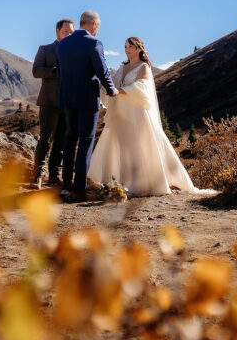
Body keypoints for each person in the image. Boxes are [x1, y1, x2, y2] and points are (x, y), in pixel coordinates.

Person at [88, 37, 196, 195]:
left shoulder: (144, 67)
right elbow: (113, 83)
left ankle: (141, 183)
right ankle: (118, 182)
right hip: (120, 113)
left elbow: (142, 88)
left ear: (138, 48)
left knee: (137, 146)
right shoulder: (122, 66)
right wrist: (103, 87)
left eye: (130, 46)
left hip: (136, 113)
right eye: (125, 47)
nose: (126, 49)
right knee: (120, 147)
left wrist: (120, 91)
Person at [56, 10, 121, 202]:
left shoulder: (62, 44)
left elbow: (60, 71)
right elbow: (102, 70)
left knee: (70, 139)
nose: (98, 30)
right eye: (98, 26)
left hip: (68, 98)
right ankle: (79, 189)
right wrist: (112, 90)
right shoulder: (94, 43)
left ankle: (66, 182)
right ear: (93, 25)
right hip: (86, 99)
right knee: (85, 141)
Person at [31, 18, 75, 188]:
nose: (69, 34)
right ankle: (38, 176)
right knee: (45, 139)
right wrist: (56, 71)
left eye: (71, 32)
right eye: (66, 31)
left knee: (61, 142)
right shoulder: (45, 49)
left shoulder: (75, 52)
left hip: (68, 103)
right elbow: (36, 70)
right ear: (57, 32)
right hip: (49, 102)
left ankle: (54, 176)